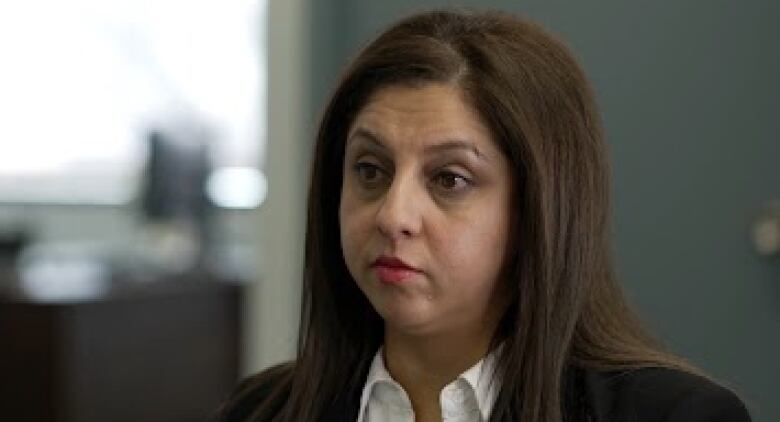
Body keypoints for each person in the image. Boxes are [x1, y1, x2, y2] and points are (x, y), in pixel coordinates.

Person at [216, 9, 751, 422]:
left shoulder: (672, 414)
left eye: (449, 179)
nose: (393, 215)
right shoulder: (262, 409)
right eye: (371, 170)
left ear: (536, 212)